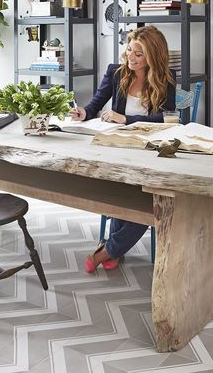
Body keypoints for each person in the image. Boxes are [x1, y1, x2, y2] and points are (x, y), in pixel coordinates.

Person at [69, 25, 176, 272]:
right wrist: (84, 112)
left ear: (152, 56)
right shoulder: (116, 73)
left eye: (138, 54)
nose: (131, 57)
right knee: (124, 195)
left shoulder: (165, 78)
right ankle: (113, 251)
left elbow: (168, 119)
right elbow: (95, 105)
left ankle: (107, 250)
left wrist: (127, 119)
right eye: (129, 50)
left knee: (149, 204)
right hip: (118, 147)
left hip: (150, 150)